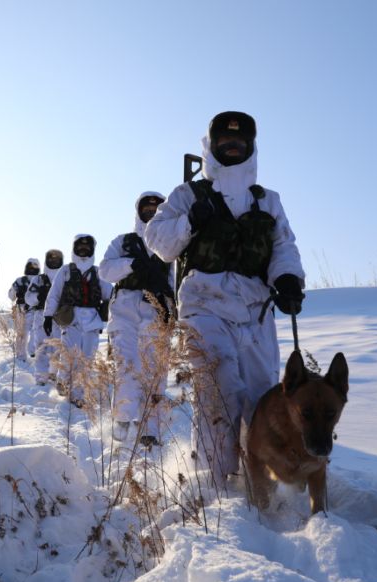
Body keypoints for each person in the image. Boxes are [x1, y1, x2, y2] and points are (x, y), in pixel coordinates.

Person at [144, 111, 305, 485]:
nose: (233, 146)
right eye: (225, 141)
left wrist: (288, 279)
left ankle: (260, 481)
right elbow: (158, 242)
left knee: (264, 397)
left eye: (240, 141)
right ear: (212, 146)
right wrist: (189, 222)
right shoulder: (187, 195)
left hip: (256, 310)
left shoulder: (268, 201)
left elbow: (284, 246)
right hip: (205, 304)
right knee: (219, 390)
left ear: (250, 147)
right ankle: (215, 485)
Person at [98, 192, 175, 448]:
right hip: (124, 314)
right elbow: (105, 271)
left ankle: (149, 431)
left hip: (156, 315)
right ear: (139, 211)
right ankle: (121, 421)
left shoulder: (169, 245)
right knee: (127, 368)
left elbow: (175, 282)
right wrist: (132, 265)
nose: (151, 212)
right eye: (147, 208)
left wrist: (173, 313)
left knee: (155, 374)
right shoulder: (123, 242)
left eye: (156, 208)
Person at [42, 234, 112, 408]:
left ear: (92, 250)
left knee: (86, 360)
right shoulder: (65, 271)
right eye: (80, 247)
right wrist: (48, 316)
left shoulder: (98, 273)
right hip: (70, 319)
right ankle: (64, 383)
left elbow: (110, 295)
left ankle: (78, 396)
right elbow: (54, 294)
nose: (83, 250)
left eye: (87, 248)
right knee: (69, 357)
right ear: (74, 248)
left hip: (92, 321)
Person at [25, 248, 64, 386]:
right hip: (41, 315)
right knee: (41, 347)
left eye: (56, 259)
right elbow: (28, 298)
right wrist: (38, 297)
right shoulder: (39, 279)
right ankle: (41, 377)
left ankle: (54, 373)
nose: (54, 261)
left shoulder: (65, 277)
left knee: (58, 347)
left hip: (59, 316)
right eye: (51, 259)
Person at [7, 258, 40, 361]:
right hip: (35, 310)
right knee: (36, 332)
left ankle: (21, 357)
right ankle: (33, 352)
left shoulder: (19, 281)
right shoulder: (40, 280)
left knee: (21, 335)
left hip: (21, 310)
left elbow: (11, 296)